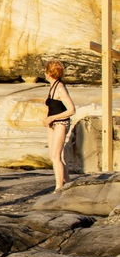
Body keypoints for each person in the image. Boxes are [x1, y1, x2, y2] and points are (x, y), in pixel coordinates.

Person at [44, 59, 76, 191]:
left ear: (49, 73)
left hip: (61, 123)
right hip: (52, 123)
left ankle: (59, 187)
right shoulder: (53, 86)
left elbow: (71, 110)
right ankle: (68, 183)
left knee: (57, 156)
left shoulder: (60, 88)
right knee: (53, 156)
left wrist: (53, 117)